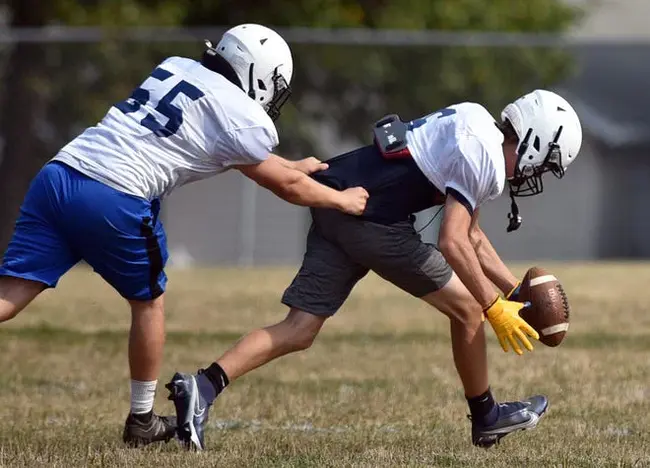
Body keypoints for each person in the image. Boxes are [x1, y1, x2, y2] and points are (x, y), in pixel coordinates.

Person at [0, 24, 369, 447]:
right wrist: (344, 202)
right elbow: (283, 186)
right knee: (149, 304)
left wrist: (291, 165)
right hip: (115, 194)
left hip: (61, 173)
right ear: (257, 74)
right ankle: (141, 420)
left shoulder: (176, 67)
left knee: (10, 295)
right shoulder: (241, 115)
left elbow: (240, 151)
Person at [166, 89, 583, 451]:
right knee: (468, 309)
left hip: (338, 200)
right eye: (544, 163)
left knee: (299, 329)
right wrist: (492, 305)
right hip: (373, 219)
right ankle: (487, 417)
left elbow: (471, 235)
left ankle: (201, 386)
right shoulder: (486, 156)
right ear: (532, 141)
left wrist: (513, 293)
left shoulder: (475, 120)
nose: (536, 173)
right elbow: (452, 242)